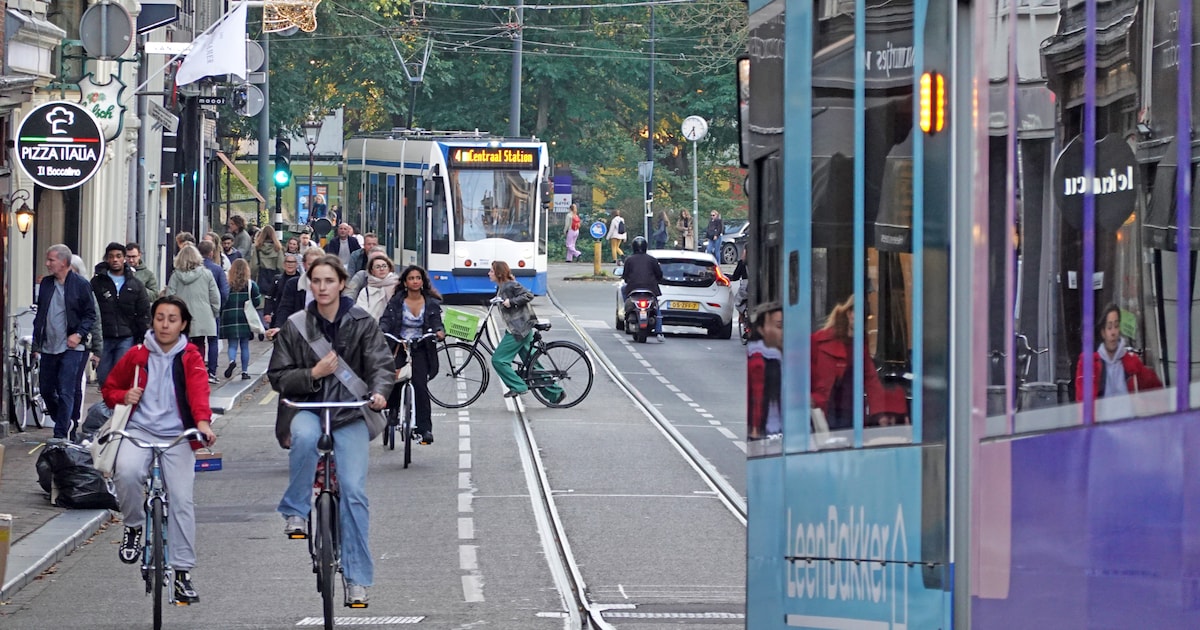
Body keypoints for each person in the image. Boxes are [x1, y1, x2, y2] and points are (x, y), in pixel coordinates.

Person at [268, 254, 393, 607]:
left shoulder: (362, 321)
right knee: (305, 438)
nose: (322, 287)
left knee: (353, 491)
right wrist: (314, 374)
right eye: (316, 281)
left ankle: (356, 580)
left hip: (349, 413)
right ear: (310, 285)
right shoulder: (295, 325)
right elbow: (278, 377)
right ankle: (296, 509)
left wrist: (380, 393)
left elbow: (381, 363)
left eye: (329, 281)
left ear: (341, 284)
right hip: (308, 407)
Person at [103, 295, 216, 605]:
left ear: (183, 324)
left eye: (172, 319)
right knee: (125, 472)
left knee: (181, 500)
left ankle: (182, 573)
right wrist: (125, 395)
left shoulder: (191, 356)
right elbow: (108, 388)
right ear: (152, 321)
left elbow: (198, 391)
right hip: (138, 431)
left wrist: (203, 424)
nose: (165, 324)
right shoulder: (136, 355)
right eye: (160, 318)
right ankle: (134, 526)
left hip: (177, 436)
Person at [809, 295, 903, 430]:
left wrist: (879, 413)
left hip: (850, 410)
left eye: (863, 317)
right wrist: (810, 398)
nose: (859, 319)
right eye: (856, 314)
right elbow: (805, 372)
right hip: (825, 409)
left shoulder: (860, 345)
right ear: (848, 313)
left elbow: (871, 379)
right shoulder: (819, 341)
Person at [33, 245, 97, 440]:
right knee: (45, 388)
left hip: (72, 346)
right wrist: (37, 343)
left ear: (64, 262)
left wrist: (78, 334)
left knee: (66, 388)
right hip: (48, 345)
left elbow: (90, 314)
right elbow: (41, 313)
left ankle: (60, 434)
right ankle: (64, 419)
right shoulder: (46, 284)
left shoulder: (81, 284)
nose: (47, 264)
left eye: (51, 260)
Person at [379, 265, 445, 444]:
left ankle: (425, 430)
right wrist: (382, 330)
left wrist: (439, 331)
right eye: (411, 278)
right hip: (399, 346)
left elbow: (436, 321)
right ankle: (392, 412)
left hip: (421, 347)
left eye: (418, 278)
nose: (415, 281)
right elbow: (386, 319)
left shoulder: (430, 301)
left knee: (420, 386)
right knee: (395, 381)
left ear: (422, 281)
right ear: (405, 282)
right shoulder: (397, 301)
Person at [91, 242, 151, 386]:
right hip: (104, 336)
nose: (115, 260)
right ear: (107, 259)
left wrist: (143, 338)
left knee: (122, 375)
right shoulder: (97, 283)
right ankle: (107, 405)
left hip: (126, 336)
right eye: (111, 257)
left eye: (118, 256)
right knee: (104, 377)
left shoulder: (135, 284)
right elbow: (90, 309)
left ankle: (118, 407)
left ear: (124, 258)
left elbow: (143, 313)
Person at [1075, 304, 1163, 400]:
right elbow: (1083, 403)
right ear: (1103, 332)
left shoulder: (1132, 363)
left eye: (1116, 326)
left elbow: (1158, 392)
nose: (1113, 332)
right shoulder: (1088, 364)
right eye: (1109, 327)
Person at [166, 245, 221, 385]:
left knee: (181, 345)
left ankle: (183, 372)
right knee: (200, 344)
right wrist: (214, 312)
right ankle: (199, 370)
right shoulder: (207, 274)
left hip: (182, 317)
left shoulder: (175, 276)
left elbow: (170, 296)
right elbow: (215, 297)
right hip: (203, 316)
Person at [489, 261, 538, 397]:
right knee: (532, 365)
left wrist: (511, 302)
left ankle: (518, 386)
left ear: (498, 273)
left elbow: (528, 295)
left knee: (498, 360)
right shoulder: (501, 286)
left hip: (519, 329)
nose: (489, 273)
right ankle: (555, 393)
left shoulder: (510, 284)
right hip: (521, 327)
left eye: (491, 271)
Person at [267, 247, 326, 340]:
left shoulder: (330, 285)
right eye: (311, 264)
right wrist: (279, 327)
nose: (314, 268)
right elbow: (285, 308)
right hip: (299, 331)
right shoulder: (293, 284)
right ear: (304, 265)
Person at [220, 259, 263, 380]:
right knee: (244, 345)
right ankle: (244, 371)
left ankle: (232, 361)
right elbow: (257, 301)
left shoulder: (227, 284)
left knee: (232, 344)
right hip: (245, 317)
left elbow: (222, 300)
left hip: (230, 317)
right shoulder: (251, 285)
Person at [620, 236, 665, 343]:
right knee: (656, 307)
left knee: (622, 289)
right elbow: (659, 275)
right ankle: (659, 331)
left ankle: (627, 310)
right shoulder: (652, 260)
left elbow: (625, 276)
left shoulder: (629, 260)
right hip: (650, 289)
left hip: (633, 288)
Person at [747, 306, 782, 440]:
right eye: (779, 326)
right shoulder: (759, 361)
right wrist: (755, 431)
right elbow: (757, 398)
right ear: (762, 330)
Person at [196, 240, 228, 380]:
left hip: (196, 310)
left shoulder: (193, 269)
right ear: (211, 253)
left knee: (197, 341)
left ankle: (198, 369)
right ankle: (212, 372)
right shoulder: (217, 269)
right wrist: (220, 307)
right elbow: (224, 291)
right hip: (212, 310)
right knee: (213, 341)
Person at [350, 255, 401, 320]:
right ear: (372, 271)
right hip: (371, 327)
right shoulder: (366, 291)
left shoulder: (398, 286)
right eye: (377, 267)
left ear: (389, 268)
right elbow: (360, 313)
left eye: (384, 266)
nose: (382, 269)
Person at [249, 225, 284, 311]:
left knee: (261, 305)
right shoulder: (278, 248)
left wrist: (252, 277)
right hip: (274, 277)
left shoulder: (257, 248)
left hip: (260, 277)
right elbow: (281, 266)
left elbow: (253, 266)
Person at [266, 253, 302, 330]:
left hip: (296, 316)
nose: (290, 264)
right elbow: (269, 296)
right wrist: (267, 313)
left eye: (292, 262)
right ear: (284, 264)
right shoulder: (277, 279)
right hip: (278, 316)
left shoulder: (301, 281)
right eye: (288, 262)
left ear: (296, 264)